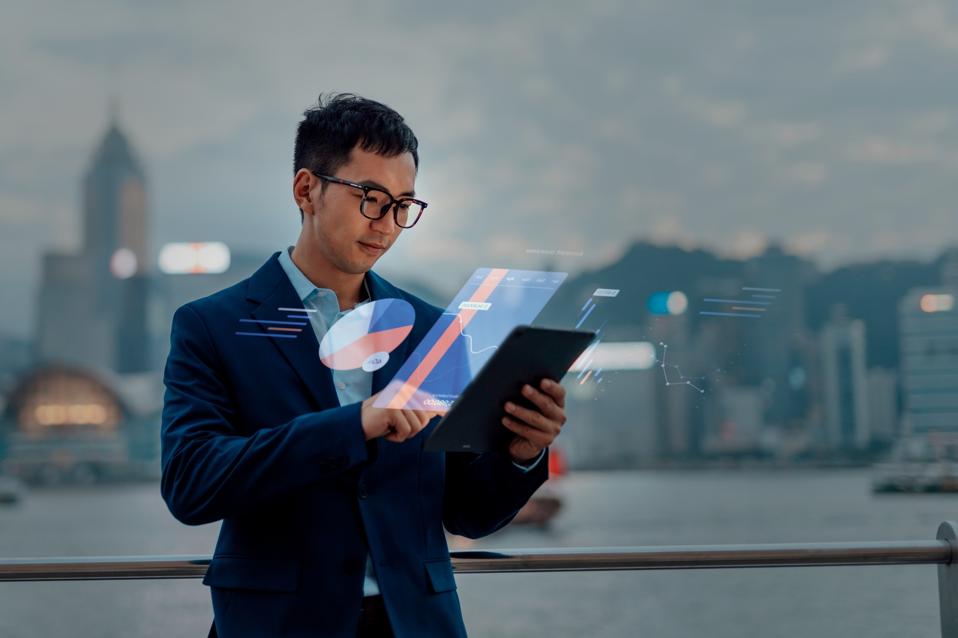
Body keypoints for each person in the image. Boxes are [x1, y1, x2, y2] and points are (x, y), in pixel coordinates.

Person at [160, 93, 569, 637]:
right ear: (307, 190)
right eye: (370, 197)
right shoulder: (212, 325)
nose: (387, 224)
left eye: (403, 205)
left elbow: (467, 513)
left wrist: (520, 452)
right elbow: (191, 484)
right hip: (280, 625)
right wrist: (354, 424)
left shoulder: (430, 329)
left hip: (417, 624)